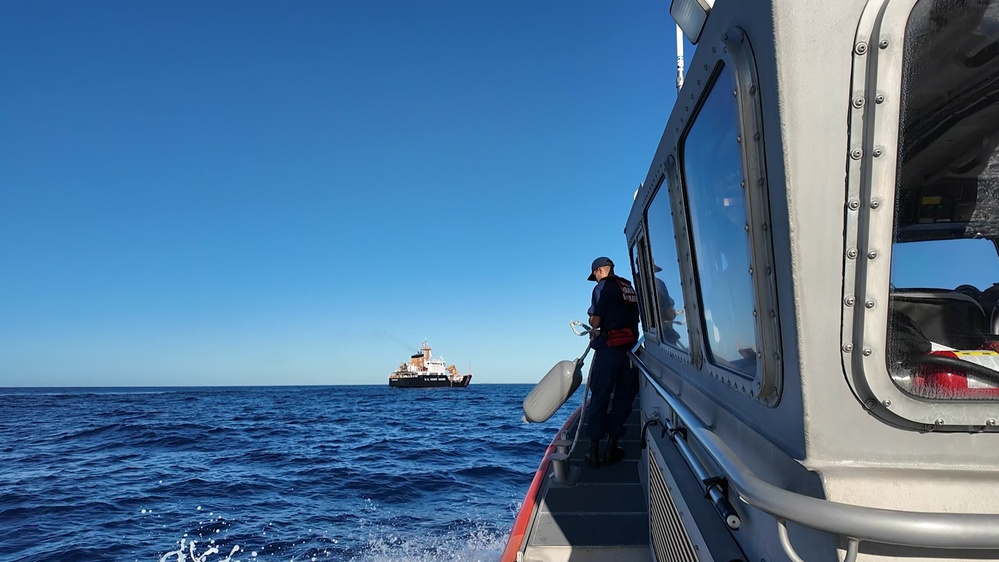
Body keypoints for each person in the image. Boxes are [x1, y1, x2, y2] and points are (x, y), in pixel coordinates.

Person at [584, 256, 641, 468]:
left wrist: (592, 325)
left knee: (600, 397)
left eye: (595, 275)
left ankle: (594, 449)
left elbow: (596, 319)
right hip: (631, 352)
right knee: (623, 398)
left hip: (609, 351)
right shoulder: (628, 287)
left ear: (599, 271)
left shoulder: (602, 287)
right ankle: (612, 447)